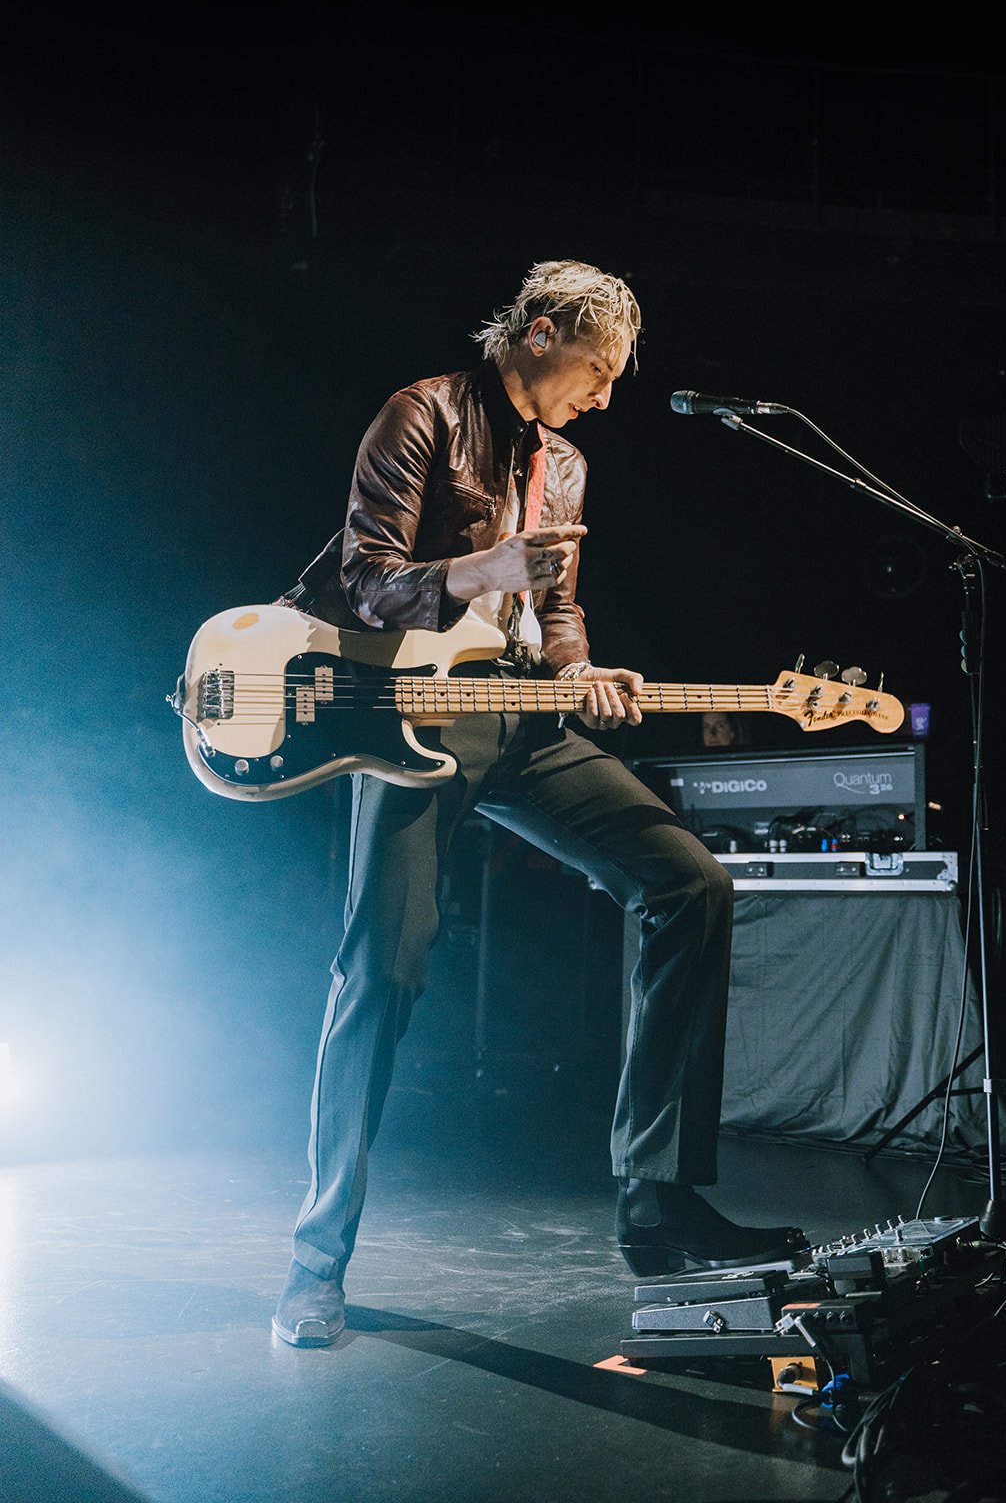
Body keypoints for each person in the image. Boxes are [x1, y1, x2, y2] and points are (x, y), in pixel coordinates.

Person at [271, 260, 808, 1347]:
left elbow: (556, 608)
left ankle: (652, 1204)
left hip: (523, 723)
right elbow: (367, 578)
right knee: (381, 970)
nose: (603, 395)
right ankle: (315, 1261)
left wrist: (583, 670)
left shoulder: (564, 462)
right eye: (596, 370)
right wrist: (481, 568)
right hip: (411, 719)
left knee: (687, 882)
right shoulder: (421, 413)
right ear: (541, 330)